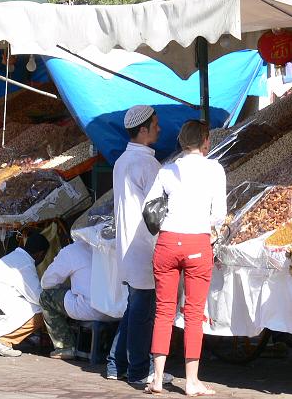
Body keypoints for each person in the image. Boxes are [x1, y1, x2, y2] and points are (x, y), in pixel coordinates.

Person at [144, 120, 226, 396]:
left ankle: (157, 379)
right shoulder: (215, 170)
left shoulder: (167, 170)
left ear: (181, 141)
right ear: (205, 141)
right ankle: (191, 382)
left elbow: (150, 207)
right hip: (197, 243)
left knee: (164, 311)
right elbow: (219, 215)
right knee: (193, 313)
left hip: (167, 242)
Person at [106, 105, 173, 386]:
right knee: (143, 311)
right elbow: (156, 209)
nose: (159, 128)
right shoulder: (147, 165)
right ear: (143, 130)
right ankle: (137, 371)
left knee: (135, 307)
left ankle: (114, 363)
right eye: (155, 124)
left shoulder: (124, 160)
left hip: (129, 242)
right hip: (143, 244)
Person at [0, 233, 50, 358]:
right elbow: (38, 297)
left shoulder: (16, 257)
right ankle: (2, 340)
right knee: (44, 310)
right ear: (41, 254)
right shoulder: (25, 265)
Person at [39, 239, 116, 360]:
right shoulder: (115, 246)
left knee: (46, 297)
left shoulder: (72, 250)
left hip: (89, 309)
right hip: (118, 311)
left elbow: (47, 282)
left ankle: (65, 346)